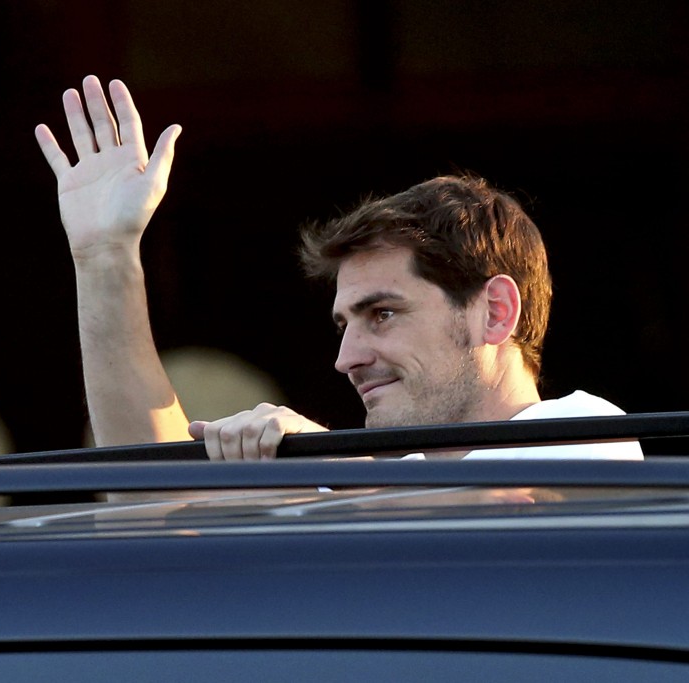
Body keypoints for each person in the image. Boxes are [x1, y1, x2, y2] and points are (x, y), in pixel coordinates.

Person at [34, 75, 642, 462]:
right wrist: (104, 256)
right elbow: (157, 499)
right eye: (344, 324)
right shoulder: (370, 483)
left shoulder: (587, 434)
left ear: (496, 311)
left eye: (383, 313)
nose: (346, 359)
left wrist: (322, 465)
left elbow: (497, 506)